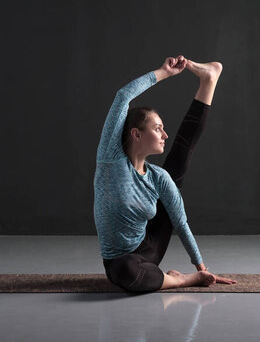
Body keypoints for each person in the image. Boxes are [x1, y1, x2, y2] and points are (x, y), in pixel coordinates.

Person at [94, 55, 236, 292]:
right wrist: (164, 72)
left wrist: (202, 267)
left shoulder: (158, 177)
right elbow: (123, 96)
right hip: (119, 260)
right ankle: (181, 279)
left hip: (150, 249)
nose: (164, 135)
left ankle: (208, 80)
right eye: (157, 128)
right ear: (136, 134)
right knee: (127, 271)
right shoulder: (111, 159)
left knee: (178, 160)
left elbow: (180, 222)